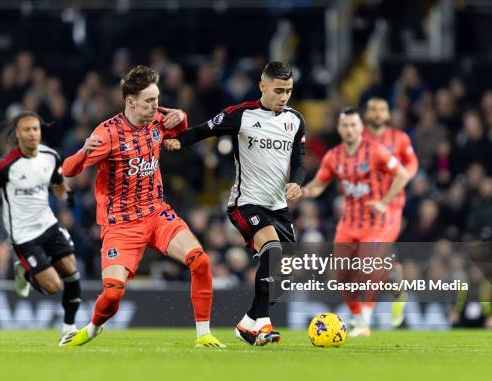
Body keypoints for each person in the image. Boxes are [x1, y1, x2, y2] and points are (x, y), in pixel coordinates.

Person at [59, 65, 224, 348]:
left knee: (201, 261)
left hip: (156, 212)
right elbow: (68, 170)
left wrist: (181, 117)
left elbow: (177, 134)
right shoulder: (108, 133)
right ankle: (93, 328)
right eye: (149, 101)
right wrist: (82, 152)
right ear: (130, 102)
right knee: (111, 296)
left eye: (157, 99)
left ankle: (204, 334)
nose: (156, 106)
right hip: (121, 224)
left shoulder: (158, 118)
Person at [165, 61, 305, 346]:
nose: (284, 97)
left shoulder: (295, 120)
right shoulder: (243, 115)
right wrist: (179, 141)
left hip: (279, 206)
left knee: (286, 274)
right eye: (278, 90)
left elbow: (299, 160)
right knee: (272, 250)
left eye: (288, 91)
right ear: (263, 86)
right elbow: (206, 129)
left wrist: (297, 182)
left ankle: (248, 323)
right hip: (247, 203)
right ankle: (264, 324)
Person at [302, 107, 410, 336]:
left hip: (374, 220)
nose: (350, 130)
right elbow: (319, 184)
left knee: (366, 265)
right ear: (339, 129)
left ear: (361, 128)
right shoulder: (334, 156)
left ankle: (364, 321)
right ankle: (385, 280)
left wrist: (384, 202)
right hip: (349, 222)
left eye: (354, 125)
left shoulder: (377, 151)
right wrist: (302, 191)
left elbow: (402, 174)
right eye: (345, 126)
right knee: (342, 273)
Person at [0, 111, 82, 342]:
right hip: (23, 235)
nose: (32, 134)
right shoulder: (6, 166)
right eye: (27, 130)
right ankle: (25, 271)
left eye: (36, 129)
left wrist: (66, 195)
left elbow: (57, 184)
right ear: (18, 134)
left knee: (72, 273)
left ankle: (68, 329)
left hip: (48, 224)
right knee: (53, 287)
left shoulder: (50, 156)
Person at [363, 97, 419, 327]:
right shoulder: (360, 139)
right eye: (373, 110)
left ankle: (375, 305)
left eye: (381, 110)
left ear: (387, 114)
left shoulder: (400, 139)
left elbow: (412, 164)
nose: (377, 114)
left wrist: (401, 179)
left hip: (391, 205)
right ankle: (396, 282)